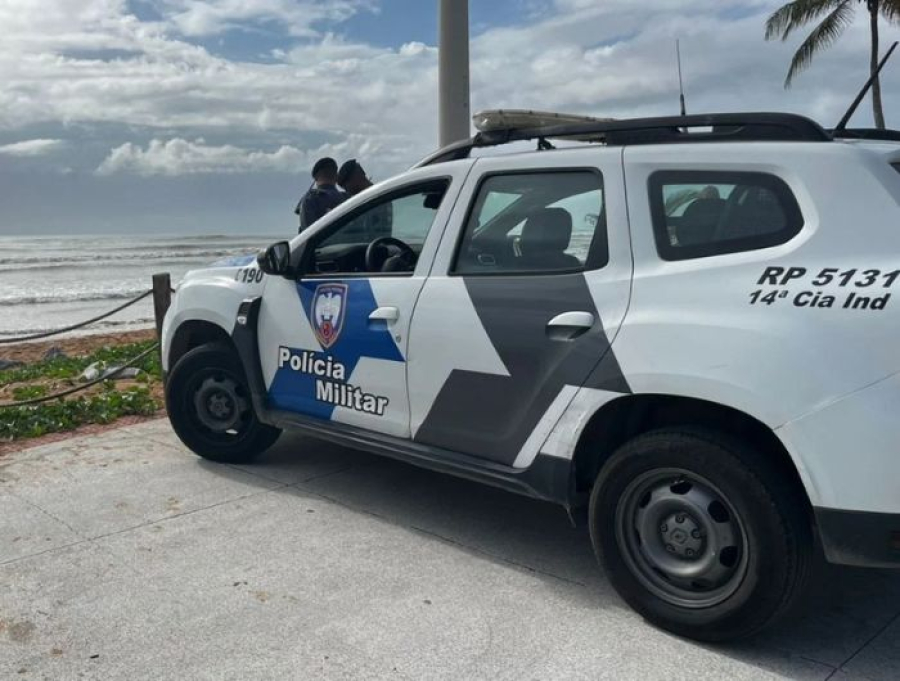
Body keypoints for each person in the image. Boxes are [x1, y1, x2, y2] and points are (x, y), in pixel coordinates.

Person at [295, 157, 346, 233]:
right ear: (336, 176)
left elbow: (308, 234)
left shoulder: (310, 199)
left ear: (315, 177)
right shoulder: (348, 198)